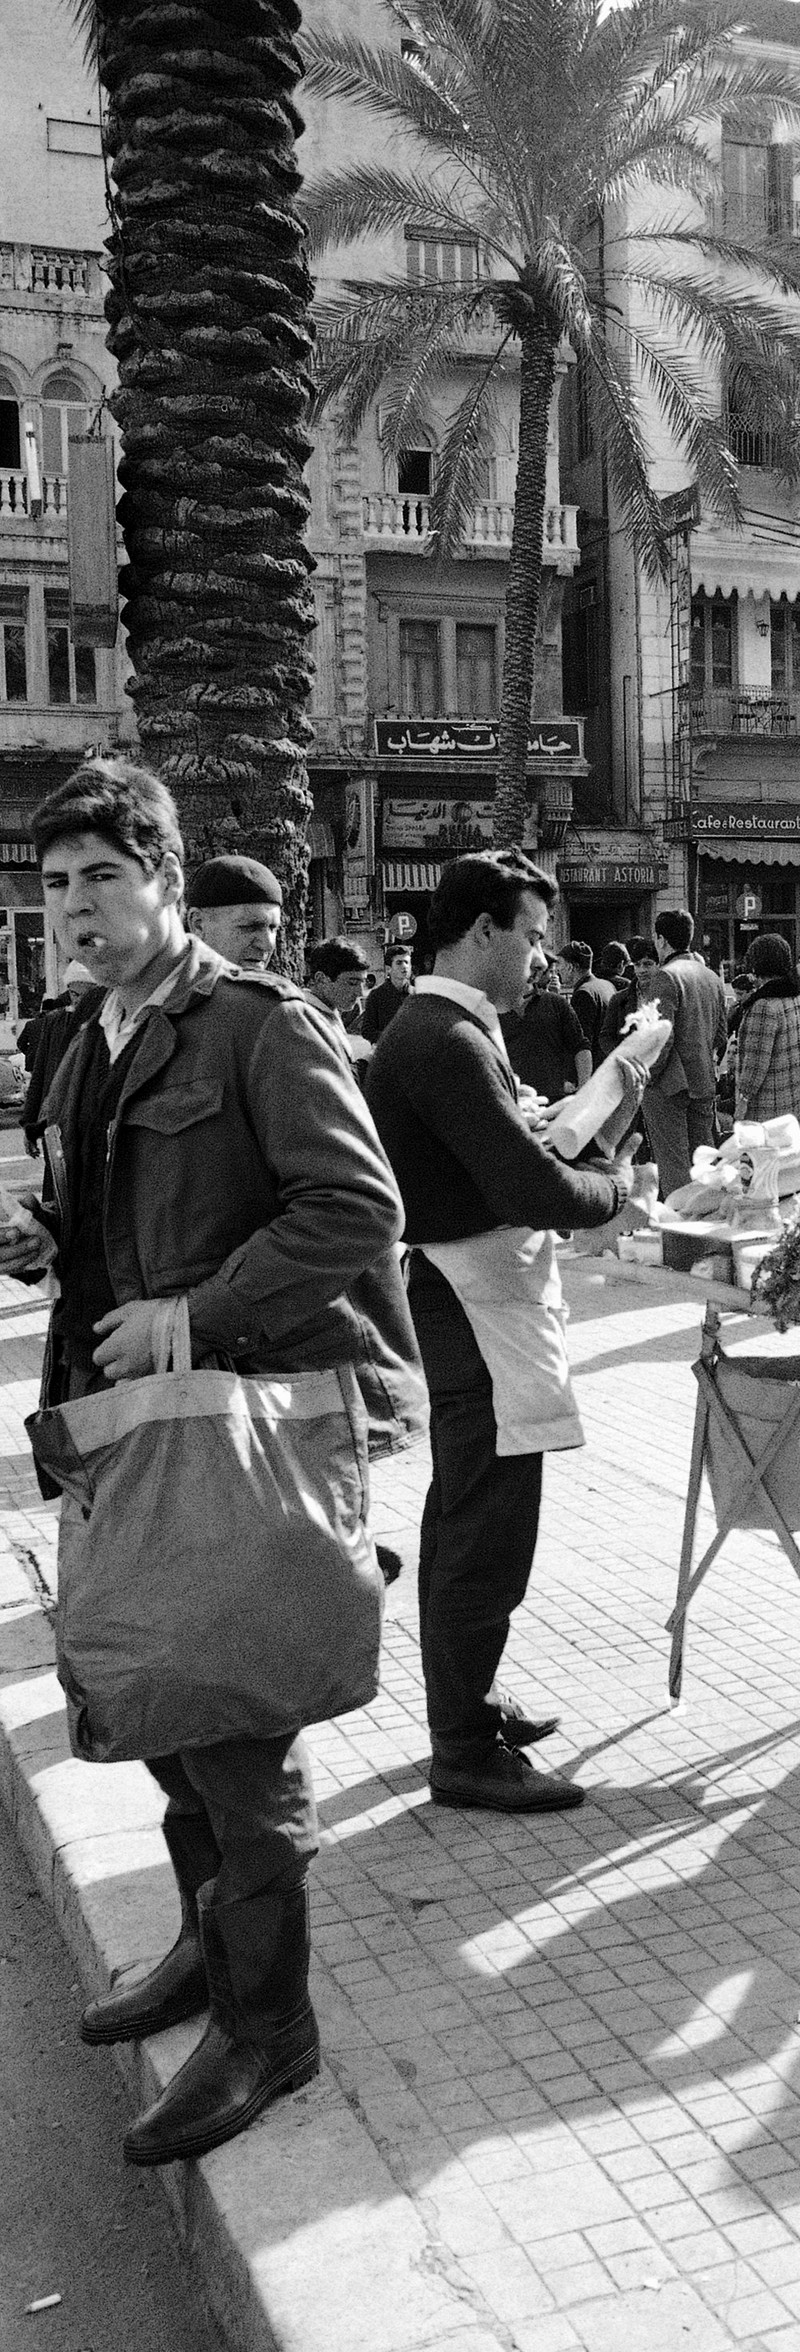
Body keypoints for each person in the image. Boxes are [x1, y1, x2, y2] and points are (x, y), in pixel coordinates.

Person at [0, 756, 422, 2166]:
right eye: (55, 886)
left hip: (236, 1431)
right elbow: (116, 1209)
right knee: (176, 1727)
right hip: (122, 1437)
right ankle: (203, 1954)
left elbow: (356, 1208)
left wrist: (198, 1310)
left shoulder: (254, 1025)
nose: (74, 909)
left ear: (166, 880)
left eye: (102, 878)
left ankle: (272, 2028)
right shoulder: (84, 1037)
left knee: (242, 1749)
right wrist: (53, 1247)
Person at [366, 852, 634, 1812]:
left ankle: (465, 1704)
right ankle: (462, 1748)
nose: (539, 962)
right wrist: (615, 1193)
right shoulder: (445, 1039)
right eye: (527, 938)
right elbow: (530, 1189)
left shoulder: (441, 1028)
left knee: (468, 1510)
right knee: (486, 1522)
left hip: (466, 1294)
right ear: (481, 930)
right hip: (471, 1301)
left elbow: (502, 1156)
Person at [639, 909, 727, 1195]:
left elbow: (659, 1038)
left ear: (661, 940)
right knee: (706, 1163)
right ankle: (712, 1224)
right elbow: (721, 1036)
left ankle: (680, 1232)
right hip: (703, 1081)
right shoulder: (711, 977)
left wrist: (647, 1077)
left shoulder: (665, 977)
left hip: (668, 1086)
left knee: (674, 1168)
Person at [732, 933, 800, 1137]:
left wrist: (742, 1100)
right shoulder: (794, 997)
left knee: (766, 1160)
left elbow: (755, 1063)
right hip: (796, 1094)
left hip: (769, 1102)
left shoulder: (763, 1005)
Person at [20, 960, 96, 1156]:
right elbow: (40, 1075)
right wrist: (29, 1125)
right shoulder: (55, 1023)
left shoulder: (109, 1023)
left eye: (86, 995)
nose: (79, 1001)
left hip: (92, 1129)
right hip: (56, 1126)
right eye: (74, 994)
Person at [501, 962, 590, 1100]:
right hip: (512, 1099)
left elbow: (580, 1046)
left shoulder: (556, 1003)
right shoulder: (492, 1009)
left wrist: (584, 1091)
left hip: (554, 1097)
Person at [184, 853, 283, 970]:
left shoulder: (276, 987)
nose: (268, 944)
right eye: (251, 927)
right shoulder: (164, 986)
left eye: (273, 928)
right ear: (199, 924)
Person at [305, 937, 373, 1066]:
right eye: (352, 983)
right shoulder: (306, 1019)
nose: (360, 993)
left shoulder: (328, 1010)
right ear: (321, 979)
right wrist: (370, 1060)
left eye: (362, 983)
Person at [559, 939, 613, 1060]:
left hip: (594, 1069)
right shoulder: (607, 985)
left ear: (570, 967)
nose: (558, 969)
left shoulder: (583, 994)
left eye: (560, 964)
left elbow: (582, 1044)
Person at [361, 945, 413, 1043]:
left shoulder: (416, 995)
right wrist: (391, 1039)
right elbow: (367, 1030)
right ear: (389, 968)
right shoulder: (377, 995)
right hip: (384, 1053)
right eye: (399, 963)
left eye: (407, 962)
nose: (404, 966)